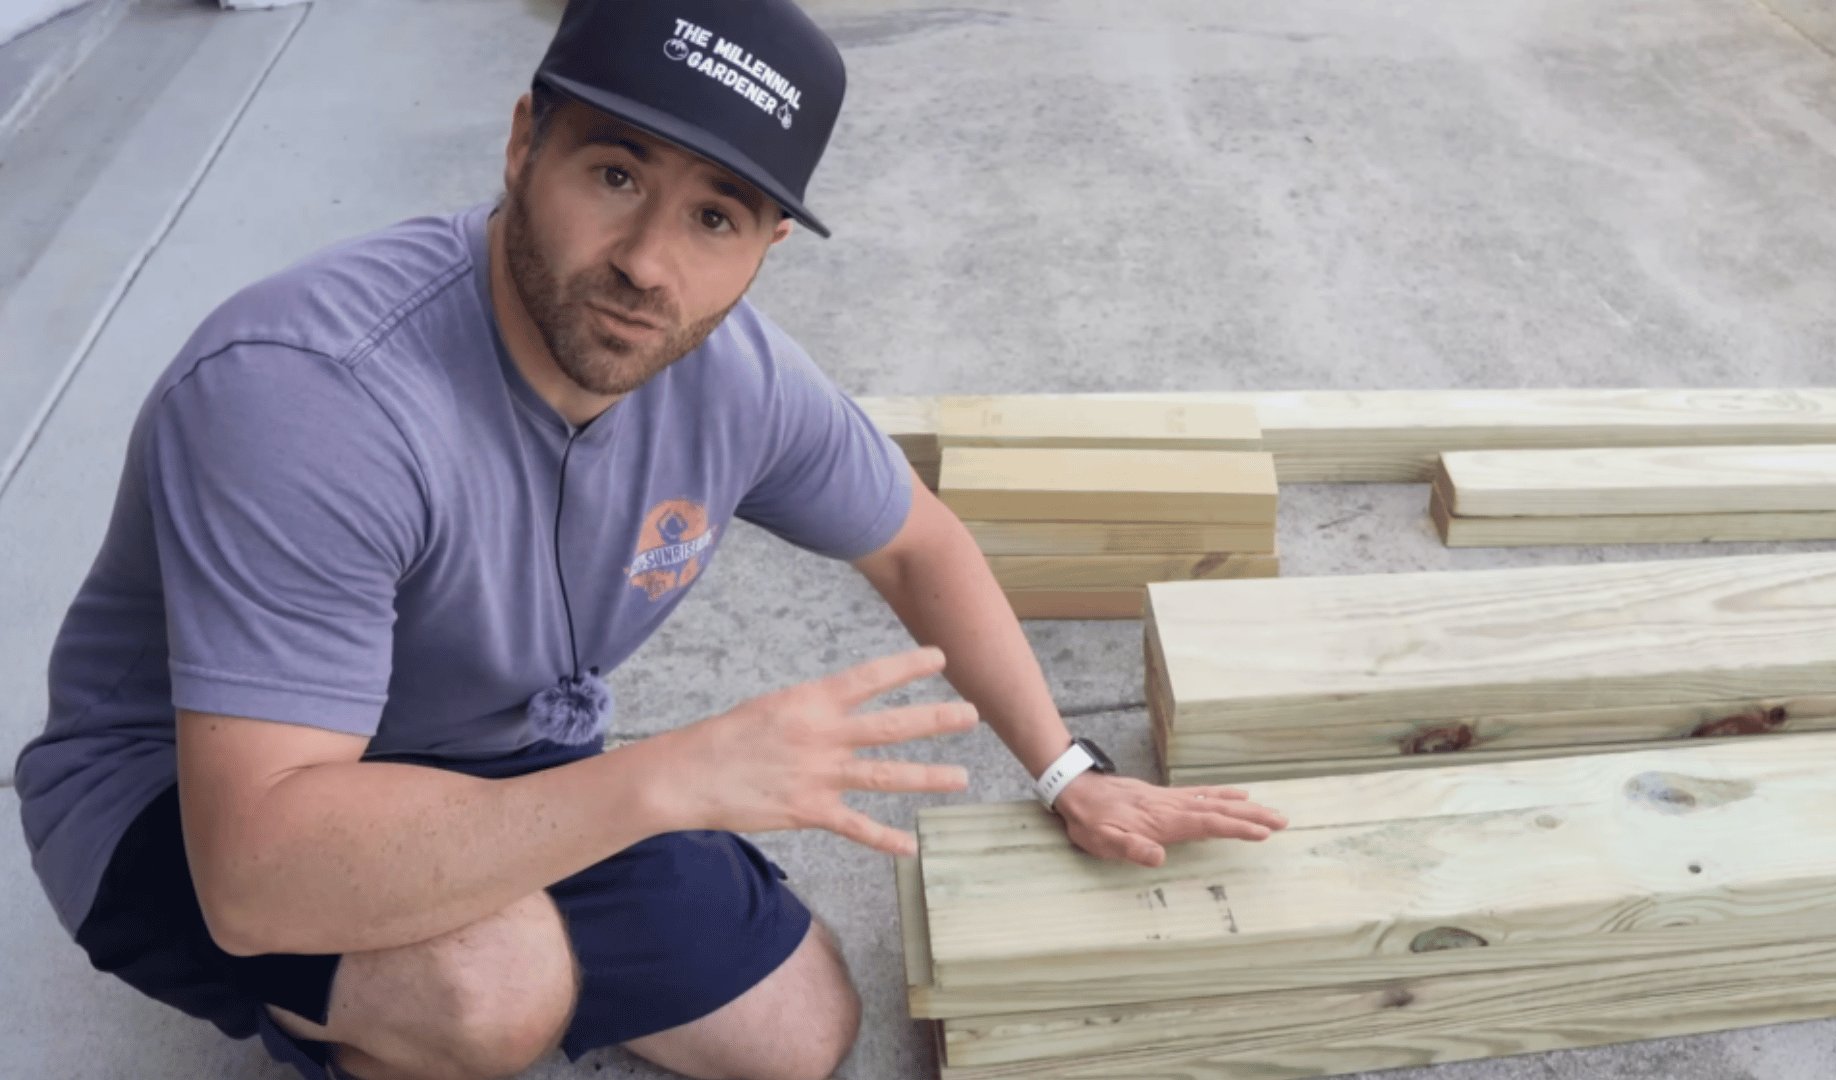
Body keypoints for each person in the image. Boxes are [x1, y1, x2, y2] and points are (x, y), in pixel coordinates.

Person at [14, 2, 1289, 1078]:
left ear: (766, 246)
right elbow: (258, 877)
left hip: (484, 755)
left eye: (714, 217)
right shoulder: (310, 399)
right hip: (191, 800)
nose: (646, 264)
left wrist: (1068, 772)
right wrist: (665, 781)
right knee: (487, 992)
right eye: (615, 174)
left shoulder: (734, 375)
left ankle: (510, 906)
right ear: (525, 143)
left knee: (801, 1032)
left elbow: (919, 544)